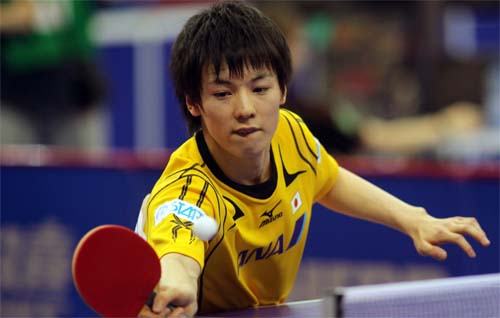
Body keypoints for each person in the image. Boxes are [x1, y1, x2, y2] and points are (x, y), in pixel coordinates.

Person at [135, 1, 490, 317]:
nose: (245, 109)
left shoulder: (290, 133)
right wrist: (177, 284)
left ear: (283, 90)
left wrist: (413, 219)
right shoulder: (186, 192)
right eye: (223, 93)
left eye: (260, 89)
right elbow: (178, 254)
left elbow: (328, 178)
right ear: (193, 103)